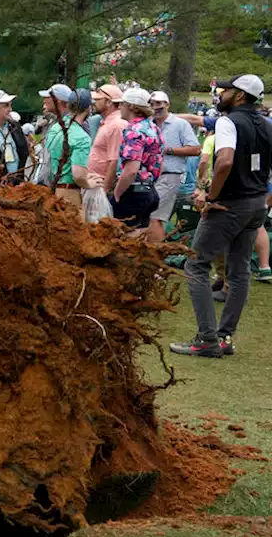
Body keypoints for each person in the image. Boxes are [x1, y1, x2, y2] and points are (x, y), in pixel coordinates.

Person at [171, 75, 272, 358]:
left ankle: (206, 339)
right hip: (256, 205)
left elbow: (225, 160)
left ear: (239, 96)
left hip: (229, 205)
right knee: (239, 271)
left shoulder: (229, 122)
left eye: (226, 90)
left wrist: (211, 197)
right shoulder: (267, 125)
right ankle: (224, 337)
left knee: (196, 266)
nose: (220, 93)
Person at [146, 90, 201, 243]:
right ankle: (150, 254)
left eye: (158, 103)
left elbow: (196, 149)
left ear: (167, 104)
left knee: (154, 216)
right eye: (151, 104)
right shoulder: (148, 124)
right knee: (151, 216)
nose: (155, 107)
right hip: (150, 177)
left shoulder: (179, 124)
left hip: (170, 175)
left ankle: (153, 256)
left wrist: (168, 150)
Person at [109, 88, 163, 229]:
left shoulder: (134, 131)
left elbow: (131, 170)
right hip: (149, 191)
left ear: (132, 106)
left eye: (122, 104)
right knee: (139, 240)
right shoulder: (154, 128)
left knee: (122, 240)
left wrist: (117, 193)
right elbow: (159, 163)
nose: (119, 107)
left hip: (132, 193)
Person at [39, 84, 94, 213]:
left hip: (51, 191)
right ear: (89, 108)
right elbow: (78, 175)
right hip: (69, 194)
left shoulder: (55, 128)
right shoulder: (82, 137)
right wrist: (89, 183)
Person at [89, 84, 127, 194]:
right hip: (97, 183)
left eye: (98, 99)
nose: (93, 102)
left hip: (102, 185)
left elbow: (114, 161)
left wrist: (105, 190)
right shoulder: (108, 122)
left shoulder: (116, 125)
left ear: (109, 102)